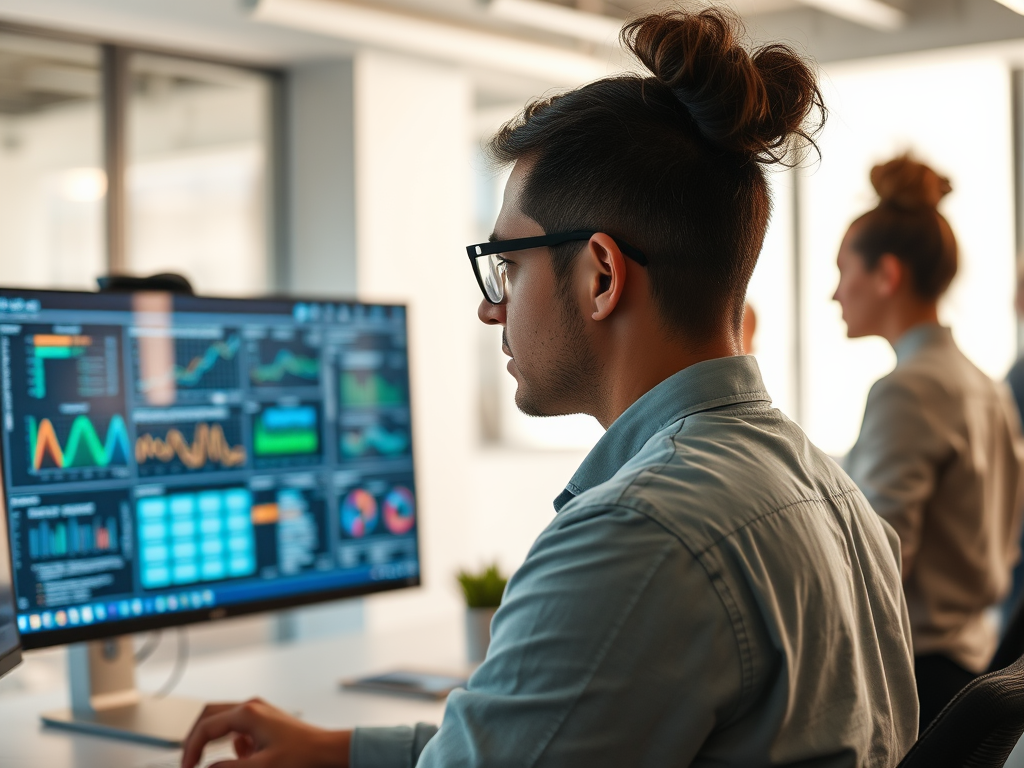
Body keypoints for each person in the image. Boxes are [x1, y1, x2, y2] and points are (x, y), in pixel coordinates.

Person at [183, 10, 918, 768]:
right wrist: (341, 750)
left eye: (510, 266)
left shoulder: (638, 532)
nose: (490, 306)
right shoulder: (832, 493)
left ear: (600, 276)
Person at [836, 155, 1024, 730]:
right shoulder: (983, 385)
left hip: (914, 679)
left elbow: (880, 562)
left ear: (887, 275)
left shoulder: (908, 390)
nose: (834, 294)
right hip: (972, 661)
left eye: (844, 271)